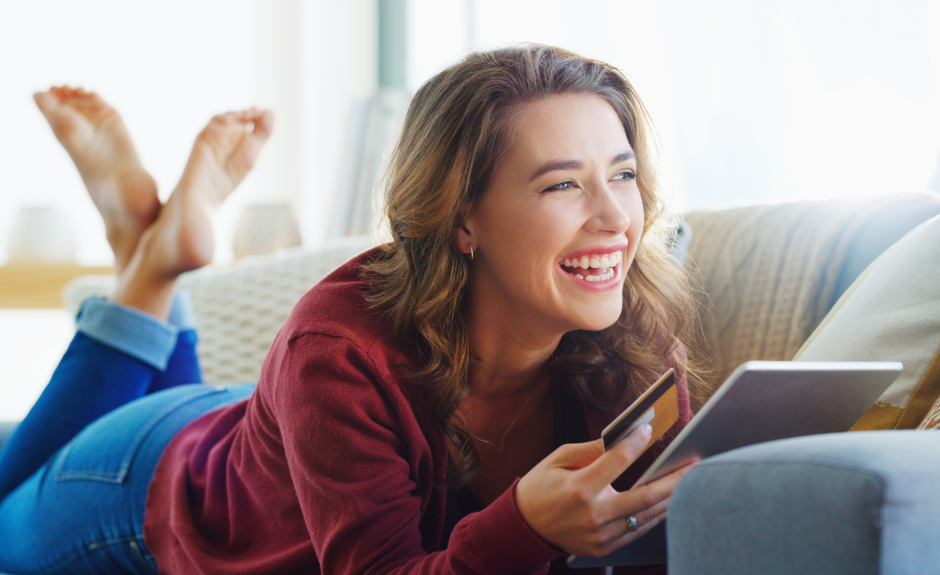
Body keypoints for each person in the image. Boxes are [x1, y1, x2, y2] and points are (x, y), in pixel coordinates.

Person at [0, 45, 698, 574]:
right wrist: (523, 527)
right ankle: (150, 266)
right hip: (144, 486)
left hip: (263, 434)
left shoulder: (632, 334)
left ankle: (144, 251)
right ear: (462, 219)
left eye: (623, 174)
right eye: (562, 185)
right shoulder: (335, 347)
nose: (616, 218)